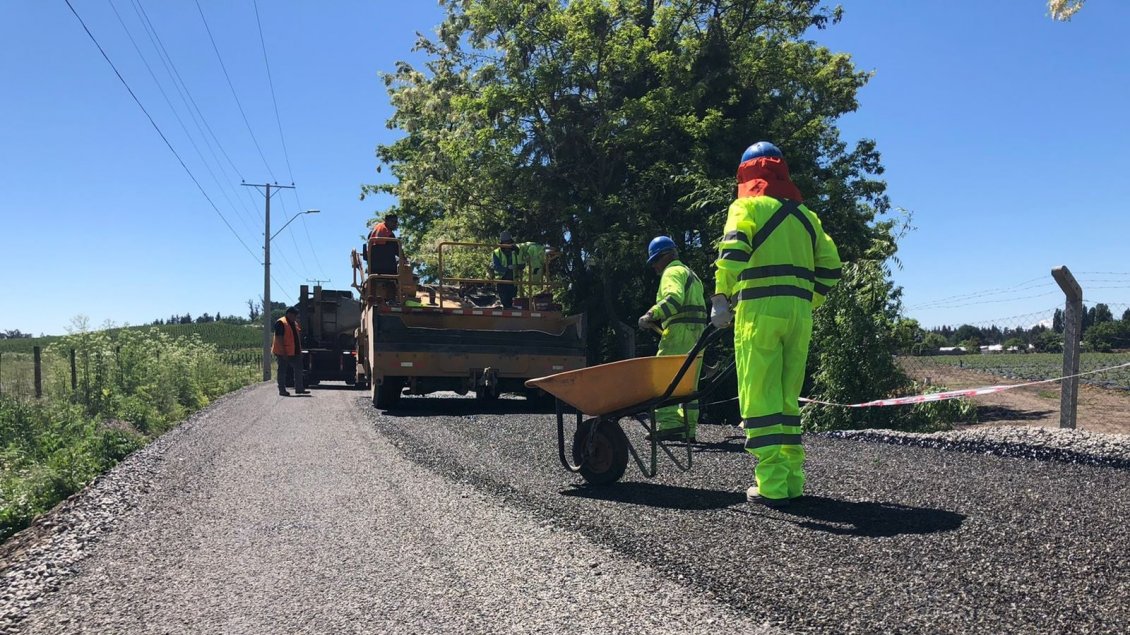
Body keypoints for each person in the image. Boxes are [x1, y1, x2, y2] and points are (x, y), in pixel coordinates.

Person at [711, 141, 841, 507]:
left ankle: (770, 483)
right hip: (799, 316)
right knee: (786, 400)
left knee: (759, 397)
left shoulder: (746, 205)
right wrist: (804, 298)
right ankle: (791, 481)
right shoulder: (807, 217)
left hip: (759, 314)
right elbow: (831, 268)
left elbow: (733, 251)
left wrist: (721, 297)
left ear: (746, 174)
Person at [638, 236, 707, 442]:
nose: (655, 268)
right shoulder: (691, 275)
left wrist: (651, 314)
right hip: (698, 333)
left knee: (664, 379)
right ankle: (688, 427)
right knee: (688, 384)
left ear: (663, 256)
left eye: (655, 262)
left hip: (679, 334)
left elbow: (673, 299)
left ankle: (669, 425)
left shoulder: (672, 272)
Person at [273, 306, 307, 396]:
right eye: (294, 315)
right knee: (282, 371)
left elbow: (295, 337)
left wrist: (299, 351)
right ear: (289, 314)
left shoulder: (294, 323)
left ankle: (299, 388)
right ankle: (282, 390)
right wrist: (283, 352)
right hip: (282, 352)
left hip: (294, 352)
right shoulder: (281, 323)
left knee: (299, 369)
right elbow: (279, 338)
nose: (295, 317)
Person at [492, 231, 520, 308]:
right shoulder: (497, 252)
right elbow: (496, 266)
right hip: (502, 280)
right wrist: (506, 268)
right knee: (504, 301)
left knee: (511, 301)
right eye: (505, 242)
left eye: (508, 242)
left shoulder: (516, 251)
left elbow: (522, 263)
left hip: (513, 280)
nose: (507, 244)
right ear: (502, 243)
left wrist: (517, 266)